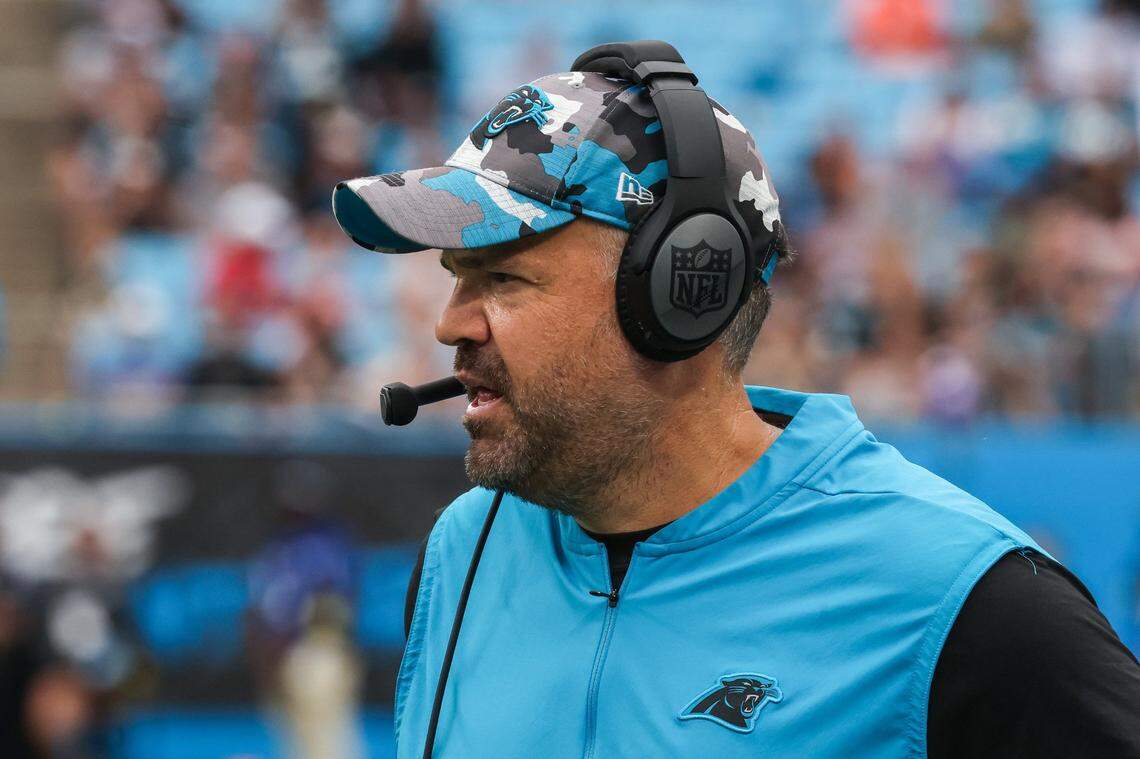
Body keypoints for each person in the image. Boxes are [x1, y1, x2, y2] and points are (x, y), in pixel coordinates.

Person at [331, 43, 1140, 758]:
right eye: (456, 277)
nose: (449, 325)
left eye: (504, 278)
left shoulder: (962, 599)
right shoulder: (462, 553)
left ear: (683, 291)